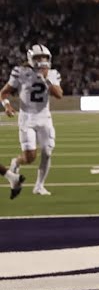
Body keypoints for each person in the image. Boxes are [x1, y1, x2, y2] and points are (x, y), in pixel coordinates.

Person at [1, 44, 63, 197]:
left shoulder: (53, 73)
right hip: (27, 118)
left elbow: (59, 95)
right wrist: (7, 106)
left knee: (47, 152)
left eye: (45, 58)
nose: (42, 61)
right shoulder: (20, 72)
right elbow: (3, 93)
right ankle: (16, 162)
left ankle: (39, 186)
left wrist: (46, 79)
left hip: (45, 118)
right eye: (38, 58)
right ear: (31, 59)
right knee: (30, 157)